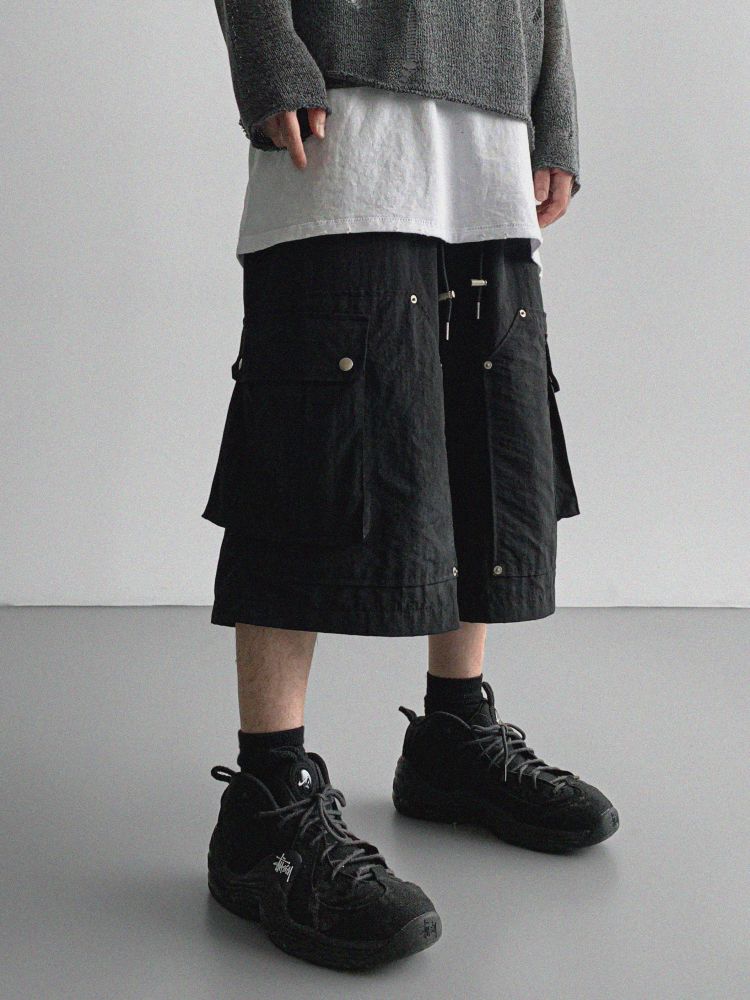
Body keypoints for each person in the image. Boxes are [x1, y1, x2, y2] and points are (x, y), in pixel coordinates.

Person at [202, 0, 619, 971]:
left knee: (480, 416)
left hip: (493, 119)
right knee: (309, 442)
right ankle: (265, 802)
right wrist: (266, 50)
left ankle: (452, 735)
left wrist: (552, 108)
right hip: (345, 100)